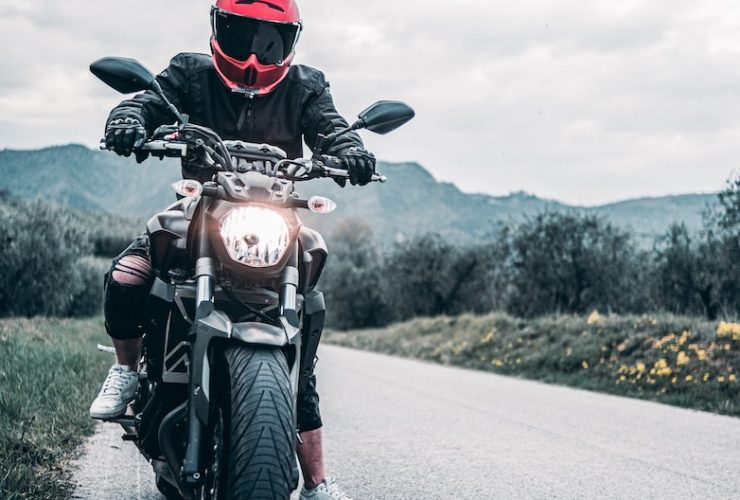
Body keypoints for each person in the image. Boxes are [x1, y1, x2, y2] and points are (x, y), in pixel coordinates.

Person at [88, 1, 375, 499]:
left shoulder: (306, 86)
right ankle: (127, 371)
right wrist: (128, 118)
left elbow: (330, 126)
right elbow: (148, 102)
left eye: (270, 41)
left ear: (290, 43)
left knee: (302, 320)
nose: (254, 54)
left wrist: (349, 148)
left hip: (277, 217)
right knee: (130, 273)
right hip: (201, 208)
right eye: (244, 35)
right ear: (219, 29)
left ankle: (317, 483)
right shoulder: (189, 73)